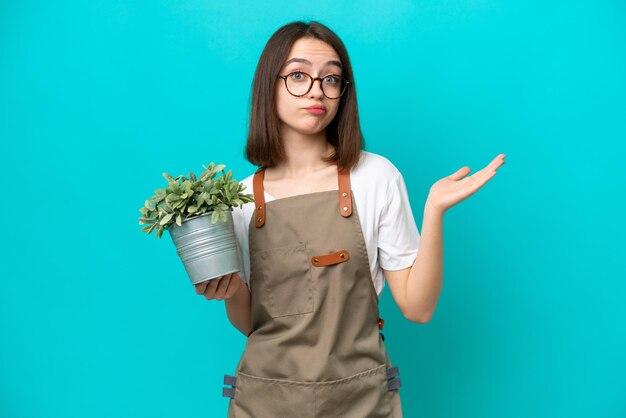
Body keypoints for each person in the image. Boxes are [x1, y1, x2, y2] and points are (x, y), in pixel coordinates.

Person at [194, 20, 505, 417]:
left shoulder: (375, 177)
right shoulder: (239, 199)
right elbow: (250, 323)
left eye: (331, 79)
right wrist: (231, 288)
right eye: (298, 75)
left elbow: (417, 307)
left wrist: (435, 211)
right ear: (267, 85)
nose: (316, 90)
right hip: (264, 402)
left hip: (360, 403)